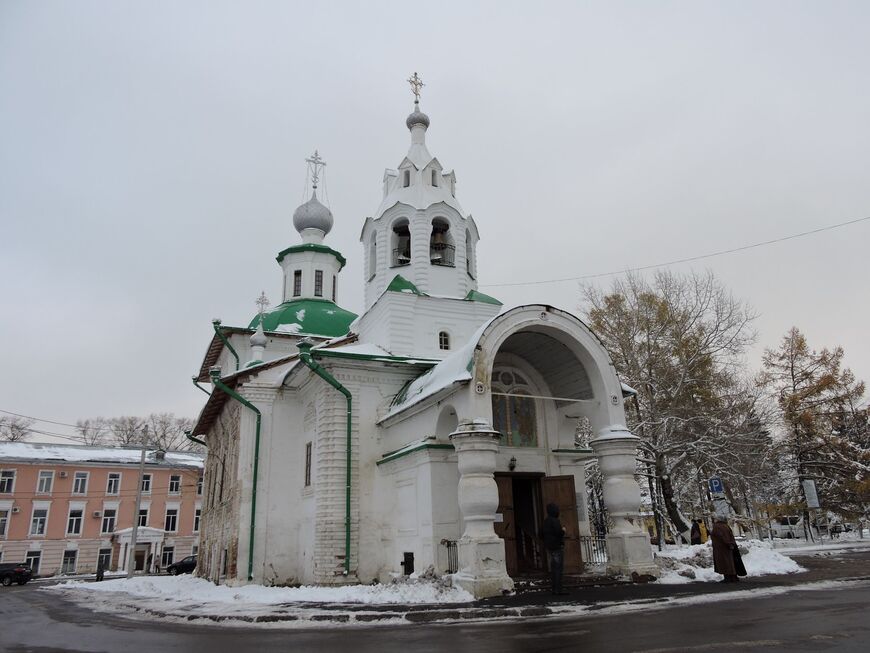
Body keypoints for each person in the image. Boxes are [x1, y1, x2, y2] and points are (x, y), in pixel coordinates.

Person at [542, 503, 568, 595]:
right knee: (558, 568)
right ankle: (558, 589)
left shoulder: (546, 521)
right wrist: (563, 530)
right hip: (556, 546)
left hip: (549, 547)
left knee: (554, 568)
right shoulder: (555, 521)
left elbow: (541, 533)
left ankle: (554, 588)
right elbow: (558, 533)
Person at [710, 516, 742, 583]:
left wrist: (727, 543)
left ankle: (727, 578)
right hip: (728, 547)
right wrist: (731, 544)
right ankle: (733, 577)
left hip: (721, 548)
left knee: (724, 563)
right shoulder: (726, 526)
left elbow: (722, 536)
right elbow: (730, 535)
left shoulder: (717, 526)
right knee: (730, 562)